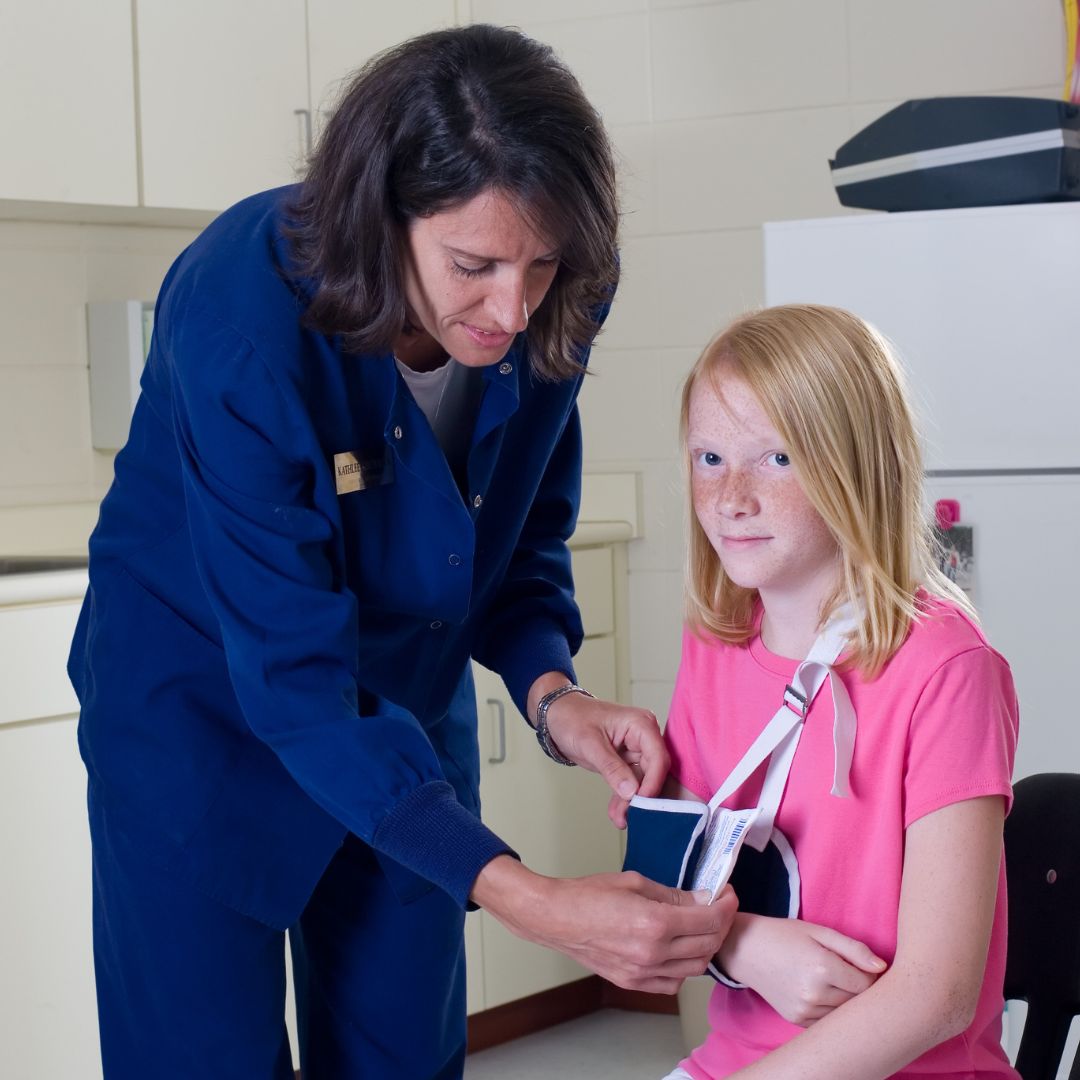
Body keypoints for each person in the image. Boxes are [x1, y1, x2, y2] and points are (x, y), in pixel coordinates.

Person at [67, 24, 735, 1080]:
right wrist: (537, 902)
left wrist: (557, 697)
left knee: (401, 1056)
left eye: (541, 264)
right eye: (472, 266)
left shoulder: (548, 295)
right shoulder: (242, 317)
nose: (511, 311)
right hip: (203, 722)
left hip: (402, 721)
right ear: (381, 221)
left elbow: (513, 548)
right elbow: (292, 680)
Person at [648, 305, 1020, 1080]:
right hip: (734, 1062)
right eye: (708, 457)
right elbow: (663, 897)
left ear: (858, 464)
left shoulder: (945, 669)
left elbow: (938, 997)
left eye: (777, 459)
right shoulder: (713, 640)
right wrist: (744, 943)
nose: (731, 496)